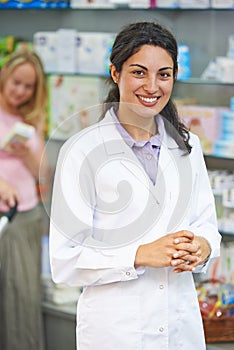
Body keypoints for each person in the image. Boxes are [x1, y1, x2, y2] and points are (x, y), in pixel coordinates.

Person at [49, 22, 221, 350]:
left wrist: (203, 247)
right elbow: (65, 261)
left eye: (164, 74)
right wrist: (139, 255)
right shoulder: (82, 151)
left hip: (179, 327)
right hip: (116, 331)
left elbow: (206, 225)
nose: (152, 86)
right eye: (139, 72)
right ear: (116, 73)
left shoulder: (188, 146)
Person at [0, 49, 48, 350]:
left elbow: (42, 173)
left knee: (22, 301)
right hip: (4, 216)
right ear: (5, 75)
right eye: (16, 82)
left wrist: (26, 153)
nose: (20, 91)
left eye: (28, 86)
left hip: (25, 217)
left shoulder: (32, 118)